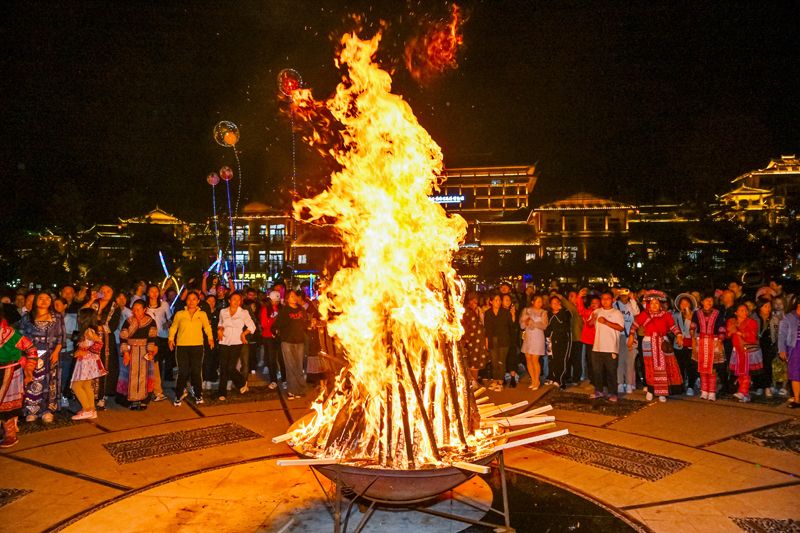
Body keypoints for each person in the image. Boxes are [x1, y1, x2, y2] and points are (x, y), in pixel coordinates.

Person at [628, 290, 683, 402]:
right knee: (650, 367)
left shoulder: (666, 315)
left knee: (663, 368)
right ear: (648, 304)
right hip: (648, 343)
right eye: (652, 303)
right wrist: (631, 337)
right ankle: (650, 390)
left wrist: (679, 335)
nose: (654, 305)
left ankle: (662, 392)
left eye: (656, 303)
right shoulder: (644, 315)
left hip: (662, 342)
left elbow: (673, 327)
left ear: (660, 304)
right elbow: (634, 326)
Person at [20, 292, 65, 423]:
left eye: (47, 299)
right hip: (32, 355)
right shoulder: (27, 317)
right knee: (33, 381)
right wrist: (26, 355)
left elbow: (61, 337)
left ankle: (47, 411)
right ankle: (32, 411)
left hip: (50, 354)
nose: (44, 301)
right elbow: (22, 336)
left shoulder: (57, 317)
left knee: (50, 381)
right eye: (41, 298)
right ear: (35, 301)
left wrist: (56, 352)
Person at [168, 291, 214, 406]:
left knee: (196, 371)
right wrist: (171, 339)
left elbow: (207, 327)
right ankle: (179, 394)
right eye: (189, 299)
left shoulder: (202, 314)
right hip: (182, 346)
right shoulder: (180, 314)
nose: (191, 301)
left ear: (198, 301)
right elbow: (174, 327)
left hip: (197, 346)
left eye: (194, 299)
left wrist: (210, 338)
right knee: (183, 372)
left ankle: (198, 394)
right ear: (186, 301)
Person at [0, 306, 37, 447]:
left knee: (7, 407)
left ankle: (10, 434)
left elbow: (31, 349)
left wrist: (29, 369)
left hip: (10, 372)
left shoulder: (10, 334)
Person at [84, 285, 121, 408]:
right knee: (89, 366)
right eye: (102, 291)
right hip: (90, 339)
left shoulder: (115, 307)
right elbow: (83, 315)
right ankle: (88, 394)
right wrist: (91, 299)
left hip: (106, 341)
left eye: (108, 291)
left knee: (105, 366)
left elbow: (112, 327)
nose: (105, 293)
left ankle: (102, 396)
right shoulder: (93, 304)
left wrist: (96, 326)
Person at [118, 301, 158, 410]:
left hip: (144, 351)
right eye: (134, 309)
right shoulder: (129, 321)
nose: (136, 312)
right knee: (130, 375)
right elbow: (123, 337)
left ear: (144, 309)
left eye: (138, 309)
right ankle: (131, 400)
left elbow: (152, 338)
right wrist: (125, 352)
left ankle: (143, 399)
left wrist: (150, 352)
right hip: (131, 351)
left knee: (144, 375)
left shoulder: (150, 322)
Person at [217, 291, 255, 401]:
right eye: (234, 299)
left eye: (239, 300)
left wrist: (243, 334)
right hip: (224, 341)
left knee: (230, 367)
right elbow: (220, 323)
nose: (236, 302)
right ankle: (222, 392)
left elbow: (252, 326)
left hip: (237, 341)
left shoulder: (243, 312)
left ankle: (242, 382)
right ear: (229, 300)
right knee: (223, 367)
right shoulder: (223, 311)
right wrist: (219, 330)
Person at [70, 308, 107, 420]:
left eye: (80, 316)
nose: (78, 318)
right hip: (88, 360)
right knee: (86, 385)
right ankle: (92, 409)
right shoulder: (89, 330)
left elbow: (99, 342)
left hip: (87, 361)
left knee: (76, 386)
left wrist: (86, 351)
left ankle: (87, 410)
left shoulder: (88, 331)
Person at [588, 291, 624, 401]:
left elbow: (621, 328)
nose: (605, 301)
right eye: (603, 298)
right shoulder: (597, 311)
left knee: (611, 371)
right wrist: (593, 319)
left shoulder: (617, 313)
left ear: (612, 300)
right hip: (597, 347)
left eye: (607, 298)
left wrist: (606, 322)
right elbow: (589, 324)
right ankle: (599, 391)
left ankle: (613, 393)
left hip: (611, 347)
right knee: (597, 371)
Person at [271, 290, 308, 399]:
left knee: (299, 366)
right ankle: (292, 390)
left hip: (299, 341)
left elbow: (305, 323)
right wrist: (275, 331)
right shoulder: (284, 310)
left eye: (295, 295)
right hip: (287, 341)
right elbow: (276, 324)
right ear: (287, 299)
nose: (294, 297)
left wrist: (310, 324)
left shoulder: (301, 309)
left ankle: (301, 389)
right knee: (290, 366)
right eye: (291, 296)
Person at [691, 295, 726, 401]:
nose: (709, 302)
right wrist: (693, 339)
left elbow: (721, 327)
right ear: (702, 302)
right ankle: (704, 390)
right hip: (701, 341)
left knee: (712, 368)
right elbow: (693, 327)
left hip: (714, 341)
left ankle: (712, 391)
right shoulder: (697, 313)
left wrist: (720, 340)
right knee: (702, 367)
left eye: (711, 300)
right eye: (707, 300)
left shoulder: (718, 313)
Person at [727, 303, 762, 402]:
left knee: (746, 372)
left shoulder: (752, 322)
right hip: (737, 350)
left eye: (746, 310)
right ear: (736, 312)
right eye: (742, 310)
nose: (745, 312)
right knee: (740, 372)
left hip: (748, 350)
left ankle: (743, 392)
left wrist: (740, 333)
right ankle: (745, 395)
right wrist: (731, 330)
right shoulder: (732, 321)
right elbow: (728, 334)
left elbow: (753, 336)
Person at [144, 285, 171, 402]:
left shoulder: (164, 304)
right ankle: (153, 389)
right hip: (150, 337)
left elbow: (170, 318)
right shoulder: (145, 307)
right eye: (152, 291)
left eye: (156, 291)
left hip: (162, 336)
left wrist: (168, 323)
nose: (154, 293)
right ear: (148, 293)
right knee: (152, 362)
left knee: (158, 363)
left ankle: (157, 388)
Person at [483, 294, 513, 391]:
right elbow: (486, 328)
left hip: (503, 339)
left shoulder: (505, 312)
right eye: (496, 300)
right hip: (492, 339)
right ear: (491, 302)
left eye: (499, 300)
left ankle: (500, 381)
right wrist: (486, 341)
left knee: (501, 361)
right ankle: (495, 380)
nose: (498, 302)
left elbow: (511, 326)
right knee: (494, 361)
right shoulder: (488, 313)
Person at [614, 289, 640, 394]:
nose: (624, 296)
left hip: (631, 335)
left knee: (630, 361)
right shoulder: (616, 304)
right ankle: (620, 383)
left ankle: (629, 383)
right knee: (620, 361)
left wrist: (632, 298)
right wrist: (615, 296)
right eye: (622, 294)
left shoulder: (631, 305)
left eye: (626, 294)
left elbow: (637, 312)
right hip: (619, 335)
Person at [460, 292, 488, 388]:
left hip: (478, 340)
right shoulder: (467, 311)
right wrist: (467, 339)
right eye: (473, 300)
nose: (475, 302)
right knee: (473, 362)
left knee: (477, 362)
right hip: (472, 341)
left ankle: (474, 382)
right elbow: (466, 326)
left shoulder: (475, 310)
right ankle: (473, 382)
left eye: (476, 300)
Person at [520, 295, 547, 390]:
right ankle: (533, 379)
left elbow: (544, 326)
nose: (540, 303)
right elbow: (521, 325)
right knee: (528, 358)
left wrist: (534, 323)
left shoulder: (543, 312)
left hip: (538, 336)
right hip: (528, 336)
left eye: (541, 301)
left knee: (535, 359)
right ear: (532, 302)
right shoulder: (526, 310)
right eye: (538, 301)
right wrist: (526, 322)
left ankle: (537, 381)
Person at [673, 293, 698, 396]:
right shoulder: (675, 315)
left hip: (691, 344)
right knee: (680, 366)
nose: (684, 305)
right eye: (682, 303)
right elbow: (673, 328)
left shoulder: (695, 315)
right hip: (678, 344)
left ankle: (691, 386)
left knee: (691, 366)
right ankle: (681, 385)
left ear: (690, 304)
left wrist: (689, 317)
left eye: (686, 303)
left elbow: (693, 330)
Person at [544, 295, 571, 388]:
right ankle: (552, 377)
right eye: (553, 303)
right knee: (552, 359)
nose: (555, 305)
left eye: (557, 302)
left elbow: (563, 322)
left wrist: (560, 311)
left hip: (563, 339)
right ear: (550, 305)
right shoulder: (548, 313)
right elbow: (548, 326)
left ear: (560, 303)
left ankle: (560, 380)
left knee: (562, 360)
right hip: (550, 340)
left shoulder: (565, 312)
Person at [753, 299, 779, 397]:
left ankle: (767, 386)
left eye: (769, 306)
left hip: (768, 345)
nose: (768, 308)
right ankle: (758, 386)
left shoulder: (774, 318)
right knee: (757, 366)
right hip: (756, 345)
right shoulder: (754, 317)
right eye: (765, 306)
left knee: (767, 366)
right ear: (760, 307)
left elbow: (777, 333)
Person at [778, 301, 800, 408]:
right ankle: (797, 399)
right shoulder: (789, 317)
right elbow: (782, 334)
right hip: (795, 347)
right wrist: (782, 349)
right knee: (795, 373)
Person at [259, 296, 283, 390]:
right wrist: (274, 320)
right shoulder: (266, 309)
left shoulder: (281, 308)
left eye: (277, 301)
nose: (275, 302)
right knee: (271, 359)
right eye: (274, 300)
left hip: (279, 336)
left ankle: (284, 378)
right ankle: (273, 380)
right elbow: (264, 324)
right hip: (268, 336)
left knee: (281, 358)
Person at [577, 289, 600, 383]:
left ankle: (600, 379)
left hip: (600, 341)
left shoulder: (603, 312)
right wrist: (579, 297)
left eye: (596, 302)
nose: (594, 304)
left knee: (599, 361)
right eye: (592, 303)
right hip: (589, 341)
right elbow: (581, 309)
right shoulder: (589, 312)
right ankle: (593, 378)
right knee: (590, 361)